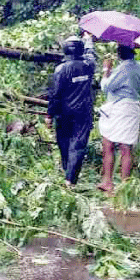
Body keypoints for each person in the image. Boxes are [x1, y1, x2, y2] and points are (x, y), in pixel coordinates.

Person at [97, 44, 140, 192]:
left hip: (118, 107)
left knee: (108, 144)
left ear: (119, 54)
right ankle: (125, 185)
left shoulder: (122, 68)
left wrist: (106, 70)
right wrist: (139, 88)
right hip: (132, 107)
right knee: (126, 147)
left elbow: (106, 87)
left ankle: (107, 181)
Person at [46, 34, 96, 186]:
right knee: (78, 145)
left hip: (64, 112)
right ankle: (70, 179)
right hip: (84, 112)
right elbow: (91, 54)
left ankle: (67, 175)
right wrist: (89, 40)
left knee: (64, 143)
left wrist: (49, 114)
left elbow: (55, 94)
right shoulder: (89, 66)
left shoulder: (61, 69)